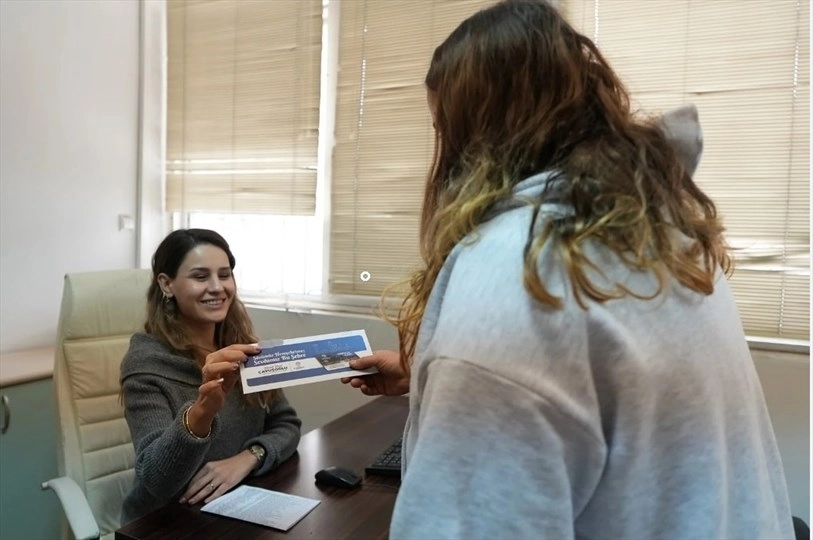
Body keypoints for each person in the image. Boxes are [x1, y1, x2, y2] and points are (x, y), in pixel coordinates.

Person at [342, 1, 794, 538]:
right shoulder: (656, 234)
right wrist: (431, 375)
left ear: (471, 132)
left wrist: (471, 370)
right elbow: (610, 396)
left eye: (443, 128)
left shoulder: (515, 275)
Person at [119, 228, 301, 525]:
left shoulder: (242, 347)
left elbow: (287, 424)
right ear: (166, 284)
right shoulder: (147, 364)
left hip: (237, 506)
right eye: (200, 277)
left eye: (225, 275)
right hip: (166, 523)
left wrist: (248, 457)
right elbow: (156, 479)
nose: (217, 287)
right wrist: (202, 412)